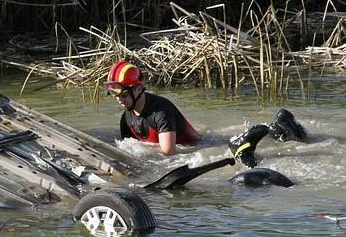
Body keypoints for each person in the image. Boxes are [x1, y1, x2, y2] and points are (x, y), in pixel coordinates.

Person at [105, 61, 307, 165]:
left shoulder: (160, 111)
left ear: (138, 89)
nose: (118, 98)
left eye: (122, 94)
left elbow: (168, 153)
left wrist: (140, 153)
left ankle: (281, 130)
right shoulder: (126, 118)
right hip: (190, 147)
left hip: (199, 147)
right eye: (114, 94)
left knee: (238, 148)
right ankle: (275, 128)